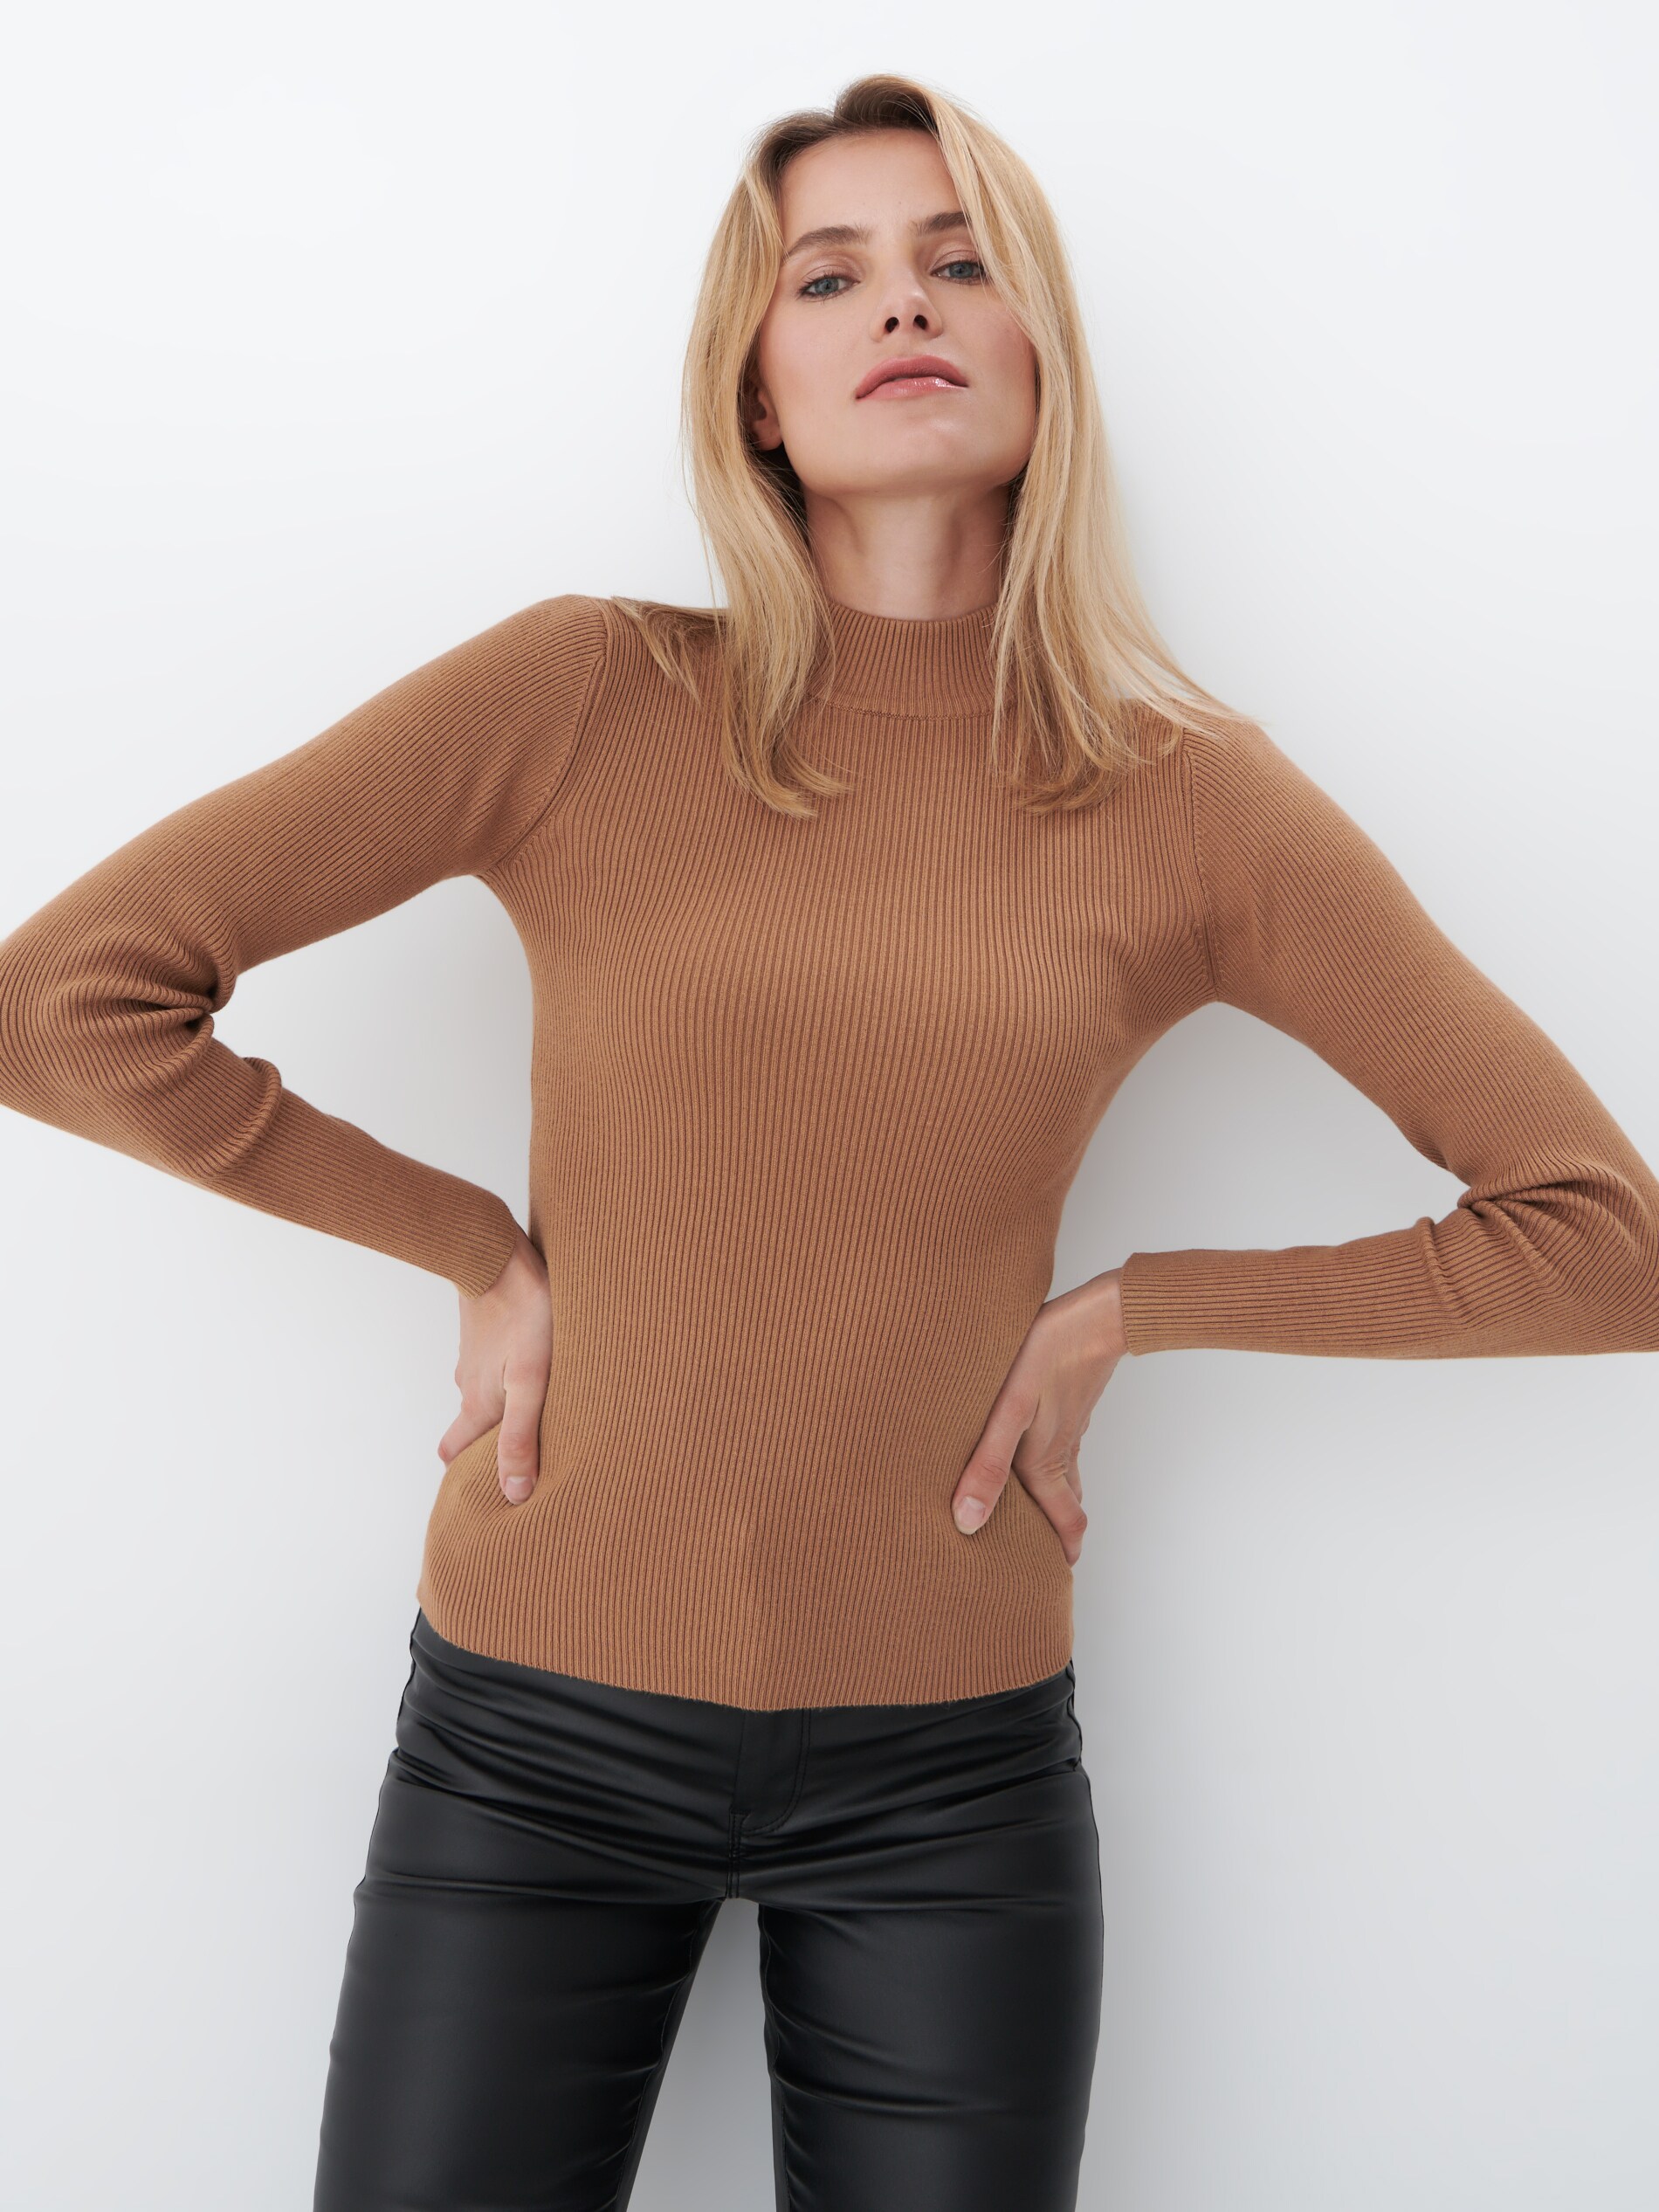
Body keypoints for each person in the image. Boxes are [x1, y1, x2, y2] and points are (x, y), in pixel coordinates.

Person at [1, 68, 1655, 2212]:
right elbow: (65, 1000)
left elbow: (1600, 1239)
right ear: (755, 390)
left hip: (947, 1783)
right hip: (529, 1737)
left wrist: (1132, 1309)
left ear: (1040, 352)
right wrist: (472, 1243)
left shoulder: (1185, 798)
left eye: (961, 260)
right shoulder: (579, 695)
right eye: (831, 274)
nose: (904, 304)